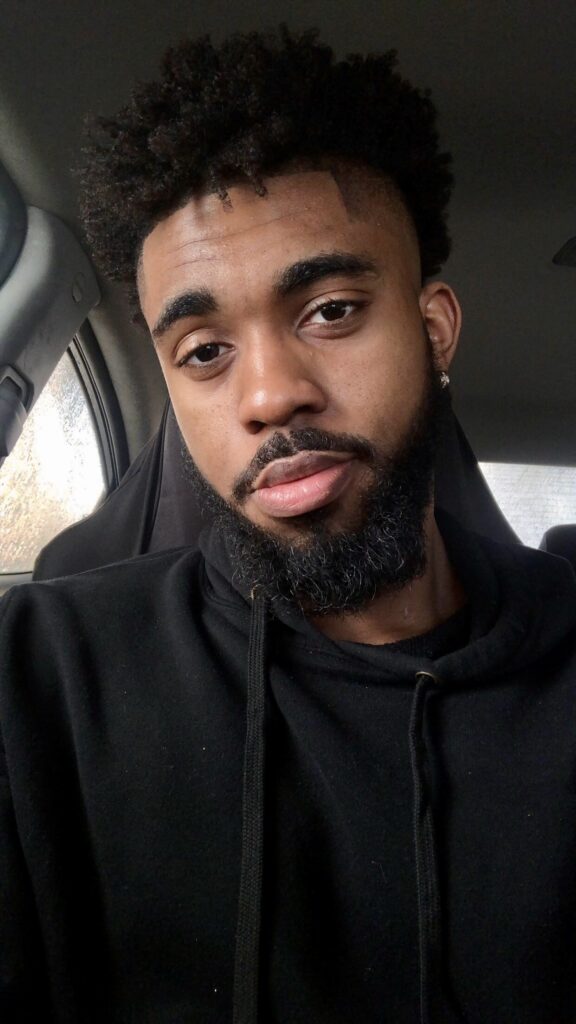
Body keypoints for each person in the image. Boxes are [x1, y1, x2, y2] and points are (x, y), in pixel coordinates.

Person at [1, 28, 575, 1024]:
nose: (270, 395)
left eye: (332, 310)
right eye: (205, 351)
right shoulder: (42, 679)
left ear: (434, 328)